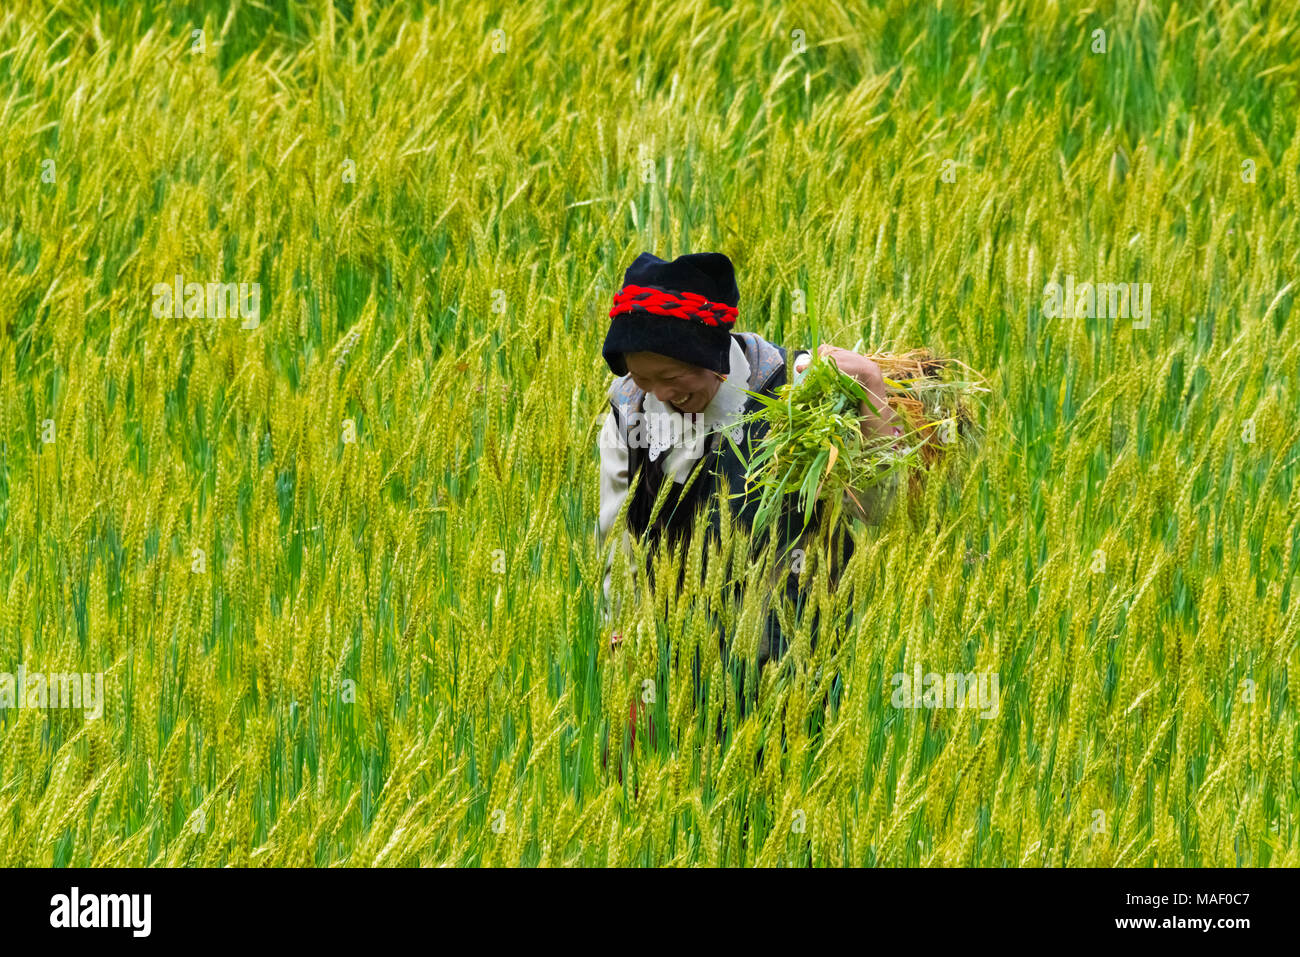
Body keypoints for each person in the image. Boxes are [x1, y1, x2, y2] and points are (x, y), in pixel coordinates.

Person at [594, 251, 901, 751]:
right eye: (644, 379)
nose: (660, 394)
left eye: (672, 377)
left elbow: (880, 508)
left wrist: (870, 390)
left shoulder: (797, 394)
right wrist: (622, 629)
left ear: (711, 357)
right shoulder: (630, 409)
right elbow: (616, 536)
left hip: (797, 661)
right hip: (680, 666)